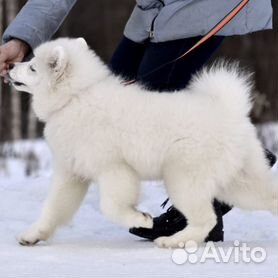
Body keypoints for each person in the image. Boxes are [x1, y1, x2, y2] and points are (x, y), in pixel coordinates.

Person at [0, 0, 276, 242]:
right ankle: (229, 147)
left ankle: (214, 182)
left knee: (142, 100)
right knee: (115, 92)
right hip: (154, 11)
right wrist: (22, 38)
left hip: (205, 4)